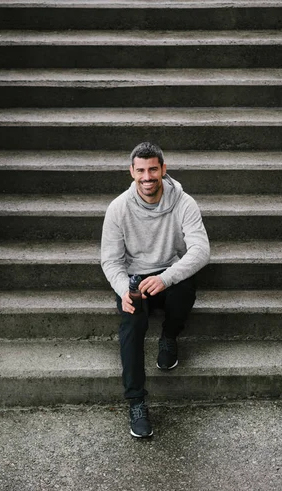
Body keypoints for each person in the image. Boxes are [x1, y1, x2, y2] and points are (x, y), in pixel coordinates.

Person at [101, 142, 210, 438]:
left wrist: (166, 278)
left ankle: (169, 336)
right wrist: (124, 290)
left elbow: (200, 251)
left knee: (185, 285)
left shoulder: (184, 202)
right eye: (141, 170)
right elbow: (111, 261)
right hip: (135, 280)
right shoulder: (118, 208)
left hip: (169, 276)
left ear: (163, 169)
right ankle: (136, 402)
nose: (147, 176)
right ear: (131, 172)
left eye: (153, 169)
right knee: (131, 325)